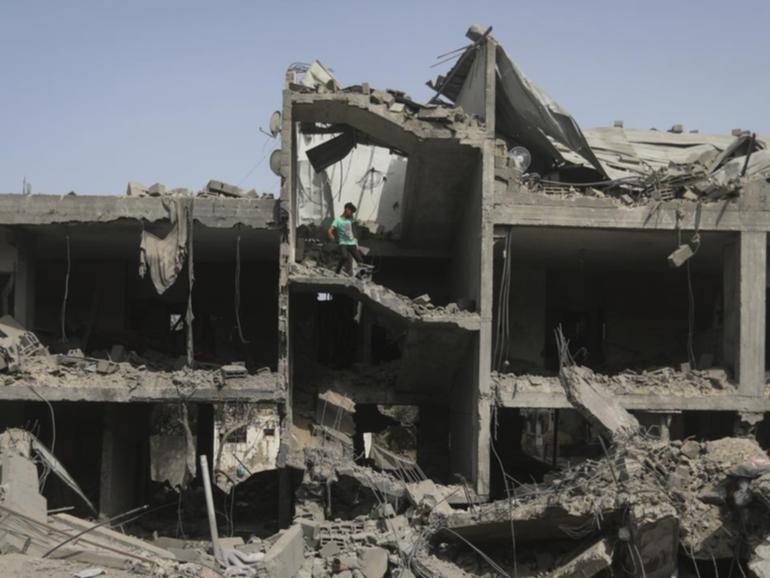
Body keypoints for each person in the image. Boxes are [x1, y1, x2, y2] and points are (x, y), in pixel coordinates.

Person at [328, 202, 364, 275]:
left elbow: (354, 231)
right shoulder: (337, 220)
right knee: (344, 257)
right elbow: (330, 229)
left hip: (352, 243)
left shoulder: (351, 220)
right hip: (343, 243)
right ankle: (337, 271)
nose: (351, 214)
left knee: (360, 260)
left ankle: (361, 276)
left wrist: (356, 241)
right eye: (351, 211)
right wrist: (330, 234)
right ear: (347, 209)